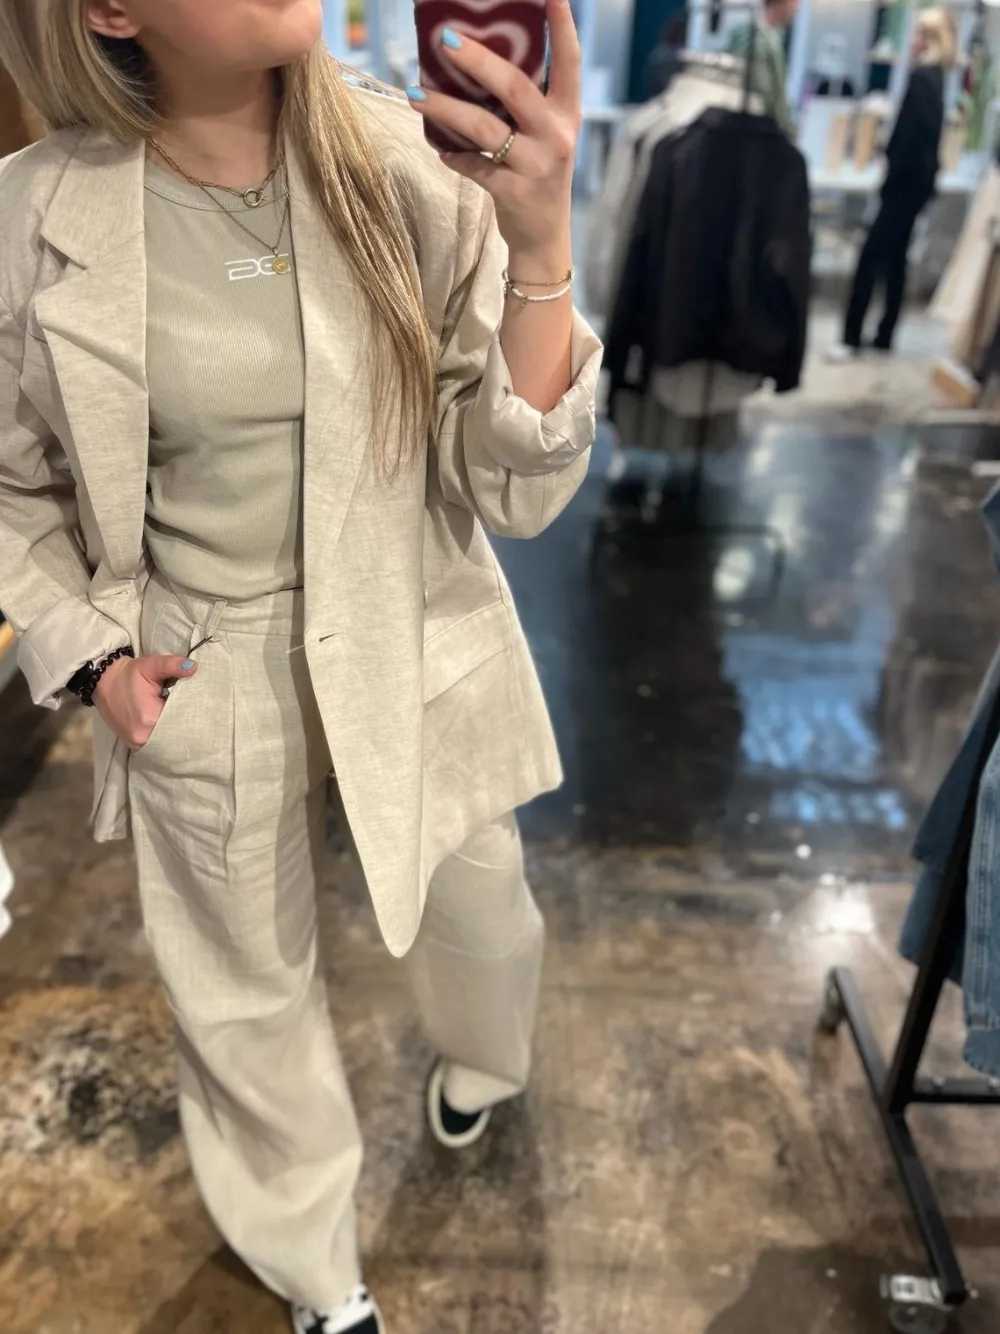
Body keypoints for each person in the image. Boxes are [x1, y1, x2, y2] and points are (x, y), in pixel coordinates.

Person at [0, 2, 601, 1331]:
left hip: (417, 622)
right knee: (244, 992)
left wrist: (540, 245)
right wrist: (91, 657)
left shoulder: (407, 163)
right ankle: (311, 1259)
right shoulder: (33, 215)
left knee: (483, 906)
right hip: (202, 664)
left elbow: (513, 490)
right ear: (110, 11)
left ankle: (486, 1056)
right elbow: (7, 485)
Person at [829, 8, 955, 360]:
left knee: (871, 256)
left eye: (919, 34)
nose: (912, 41)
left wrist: (890, 166)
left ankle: (850, 338)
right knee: (896, 258)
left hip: (903, 185)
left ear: (930, 40)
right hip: (915, 185)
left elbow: (911, 137)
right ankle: (885, 334)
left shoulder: (922, 79)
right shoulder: (936, 80)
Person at [726, 0, 799, 138]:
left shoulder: (773, 38)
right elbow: (760, 94)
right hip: (755, 132)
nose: (797, 7)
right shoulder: (754, 39)